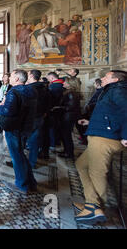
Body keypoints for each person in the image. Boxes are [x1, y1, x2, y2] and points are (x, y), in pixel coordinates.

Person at [74, 70, 127, 224]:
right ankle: (92, 203)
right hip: (102, 134)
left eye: (106, 76)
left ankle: (94, 208)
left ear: (115, 79)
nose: (102, 78)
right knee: (81, 165)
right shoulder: (112, 90)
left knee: (97, 172)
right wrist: (90, 123)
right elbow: (111, 114)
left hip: (106, 139)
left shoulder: (118, 90)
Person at [0, 69, 38, 194]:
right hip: (27, 126)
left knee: (17, 156)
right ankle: (31, 182)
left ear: (17, 79)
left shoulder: (13, 92)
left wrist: (1, 106)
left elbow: (7, 111)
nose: (9, 78)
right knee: (21, 154)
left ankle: (22, 185)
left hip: (15, 128)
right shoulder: (32, 90)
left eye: (11, 76)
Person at [25, 70, 51, 168]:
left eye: (27, 74)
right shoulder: (45, 88)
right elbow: (48, 104)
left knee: (22, 141)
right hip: (40, 117)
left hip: (29, 119)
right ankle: (32, 162)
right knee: (35, 142)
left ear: (31, 76)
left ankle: (20, 161)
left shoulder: (28, 88)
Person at [52, 77, 81, 160]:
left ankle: (69, 153)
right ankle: (66, 151)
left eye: (65, 82)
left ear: (71, 84)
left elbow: (71, 107)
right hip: (67, 116)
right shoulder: (70, 92)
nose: (63, 83)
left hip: (68, 117)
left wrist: (58, 107)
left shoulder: (71, 93)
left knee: (66, 135)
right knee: (65, 135)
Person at [76, 78, 103, 145]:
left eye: (94, 83)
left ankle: (85, 139)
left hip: (93, 112)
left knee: (83, 124)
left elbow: (98, 102)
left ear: (97, 84)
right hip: (90, 111)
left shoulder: (101, 91)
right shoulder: (98, 91)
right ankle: (84, 138)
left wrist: (89, 105)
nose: (93, 85)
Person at [45, 72, 65, 155]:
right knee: (57, 127)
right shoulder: (62, 84)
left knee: (51, 127)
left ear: (52, 78)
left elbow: (50, 99)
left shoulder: (54, 86)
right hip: (61, 109)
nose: (48, 80)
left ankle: (52, 144)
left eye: (48, 78)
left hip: (53, 110)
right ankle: (57, 142)